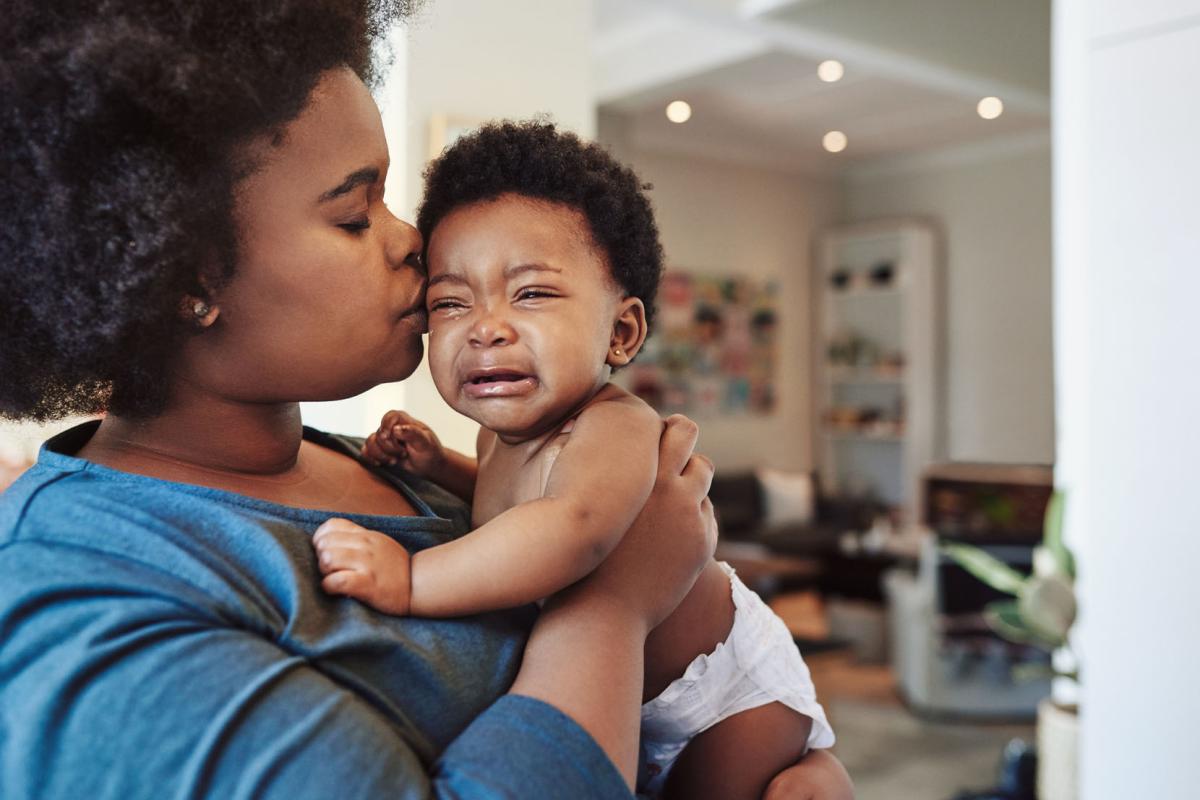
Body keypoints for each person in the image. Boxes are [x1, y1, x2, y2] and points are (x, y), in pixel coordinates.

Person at [0, 1, 854, 798]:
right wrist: (615, 602)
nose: (413, 240)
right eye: (353, 211)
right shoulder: (89, 603)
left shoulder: (362, 461)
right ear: (183, 276)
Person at [311, 121, 836, 799]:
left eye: (531, 293)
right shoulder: (497, 437)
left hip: (725, 691)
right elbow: (515, 509)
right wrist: (439, 465)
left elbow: (573, 530)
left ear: (621, 332)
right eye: (449, 301)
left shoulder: (614, 426)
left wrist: (412, 577)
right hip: (625, 694)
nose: (486, 325)